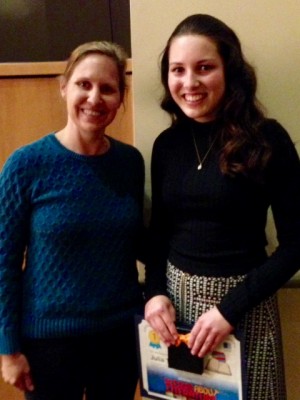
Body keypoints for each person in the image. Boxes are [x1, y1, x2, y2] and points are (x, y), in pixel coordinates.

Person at [144, 14, 300, 400]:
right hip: (176, 312)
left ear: (230, 71)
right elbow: (160, 234)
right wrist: (153, 294)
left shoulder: (269, 139)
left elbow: (298, 243)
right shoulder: (167, 145)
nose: (189, 82)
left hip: (246, 307)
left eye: (204, 68)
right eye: (177, 70)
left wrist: (229, 310)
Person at [0, 41, 145, 400]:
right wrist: (8, 349)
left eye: (107, 88)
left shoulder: (130, 162)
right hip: (49, 346)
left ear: (120, 98)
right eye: (84, 84)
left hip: (119, 339)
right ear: (64, 88)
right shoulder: (25, 164)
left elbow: (137, 243)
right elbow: (3, 261)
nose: (95, 98)